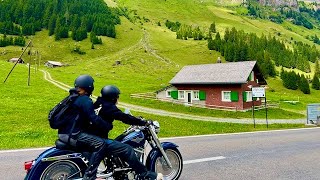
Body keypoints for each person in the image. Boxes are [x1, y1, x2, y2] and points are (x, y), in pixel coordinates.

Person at [92, 85, 163, 180]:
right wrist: (143, 122)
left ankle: (117, 169)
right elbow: (124, 117)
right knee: (127, 149)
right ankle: (144, 174)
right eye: (117, 96)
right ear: (113, 98)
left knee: (118, 141)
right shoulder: (109, 107)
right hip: (99, 139)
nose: (118, 99)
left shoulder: (98, 104)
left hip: (92, 137)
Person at [58, 75, 113, 180]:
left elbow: (86, 109)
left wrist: (97, 103)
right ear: (90, 87)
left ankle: (88, 169)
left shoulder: (74, 97)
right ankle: (90, 176)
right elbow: (93, 118)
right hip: (74, 135)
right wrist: (106, 125)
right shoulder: (84, 100)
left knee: (90, 144)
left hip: (64, 133)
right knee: (101, 144)